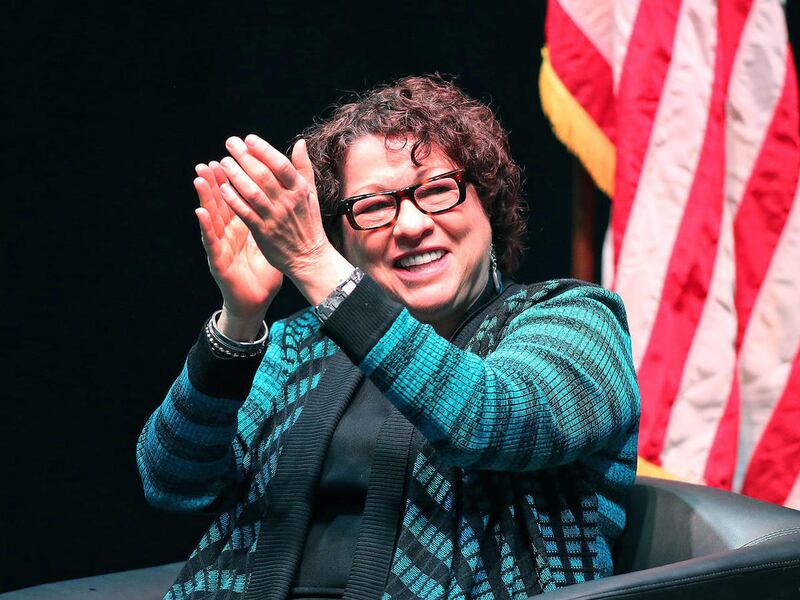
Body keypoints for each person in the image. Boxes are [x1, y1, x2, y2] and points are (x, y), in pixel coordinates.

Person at [137, 75, 640, 600]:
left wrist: (312, 265)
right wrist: (240, 320)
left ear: (489, 206)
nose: (411, 224)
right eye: (374, 206)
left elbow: (492, 417)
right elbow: (173, 483)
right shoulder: (297, 346)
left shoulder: (577, 319)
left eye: (438, 190)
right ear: (344, 241)